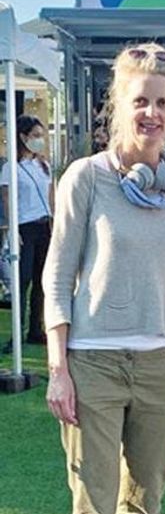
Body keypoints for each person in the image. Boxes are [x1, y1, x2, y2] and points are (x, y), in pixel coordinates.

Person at [42, 42, 165, 514]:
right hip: (94, 367)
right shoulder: (86, 178)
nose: (152, 114)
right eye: (141, 100)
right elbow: (57, 278)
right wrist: (58, 371)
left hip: (162, 366)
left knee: (143, 510)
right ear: (120, 104)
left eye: (163, 102)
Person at [1, 115, 54, 351]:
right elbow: (6, 197)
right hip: (24, 226)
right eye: (35, 136)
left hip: (44, 226)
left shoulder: (44, 165)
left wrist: (55, 222)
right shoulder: (11, 167)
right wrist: (13, 230)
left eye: (41, 136)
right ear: (23, 137)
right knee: (23, 280)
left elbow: (52, 195)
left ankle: (36, 328)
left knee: (42, 281)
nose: (39, 140)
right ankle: (17, 332)